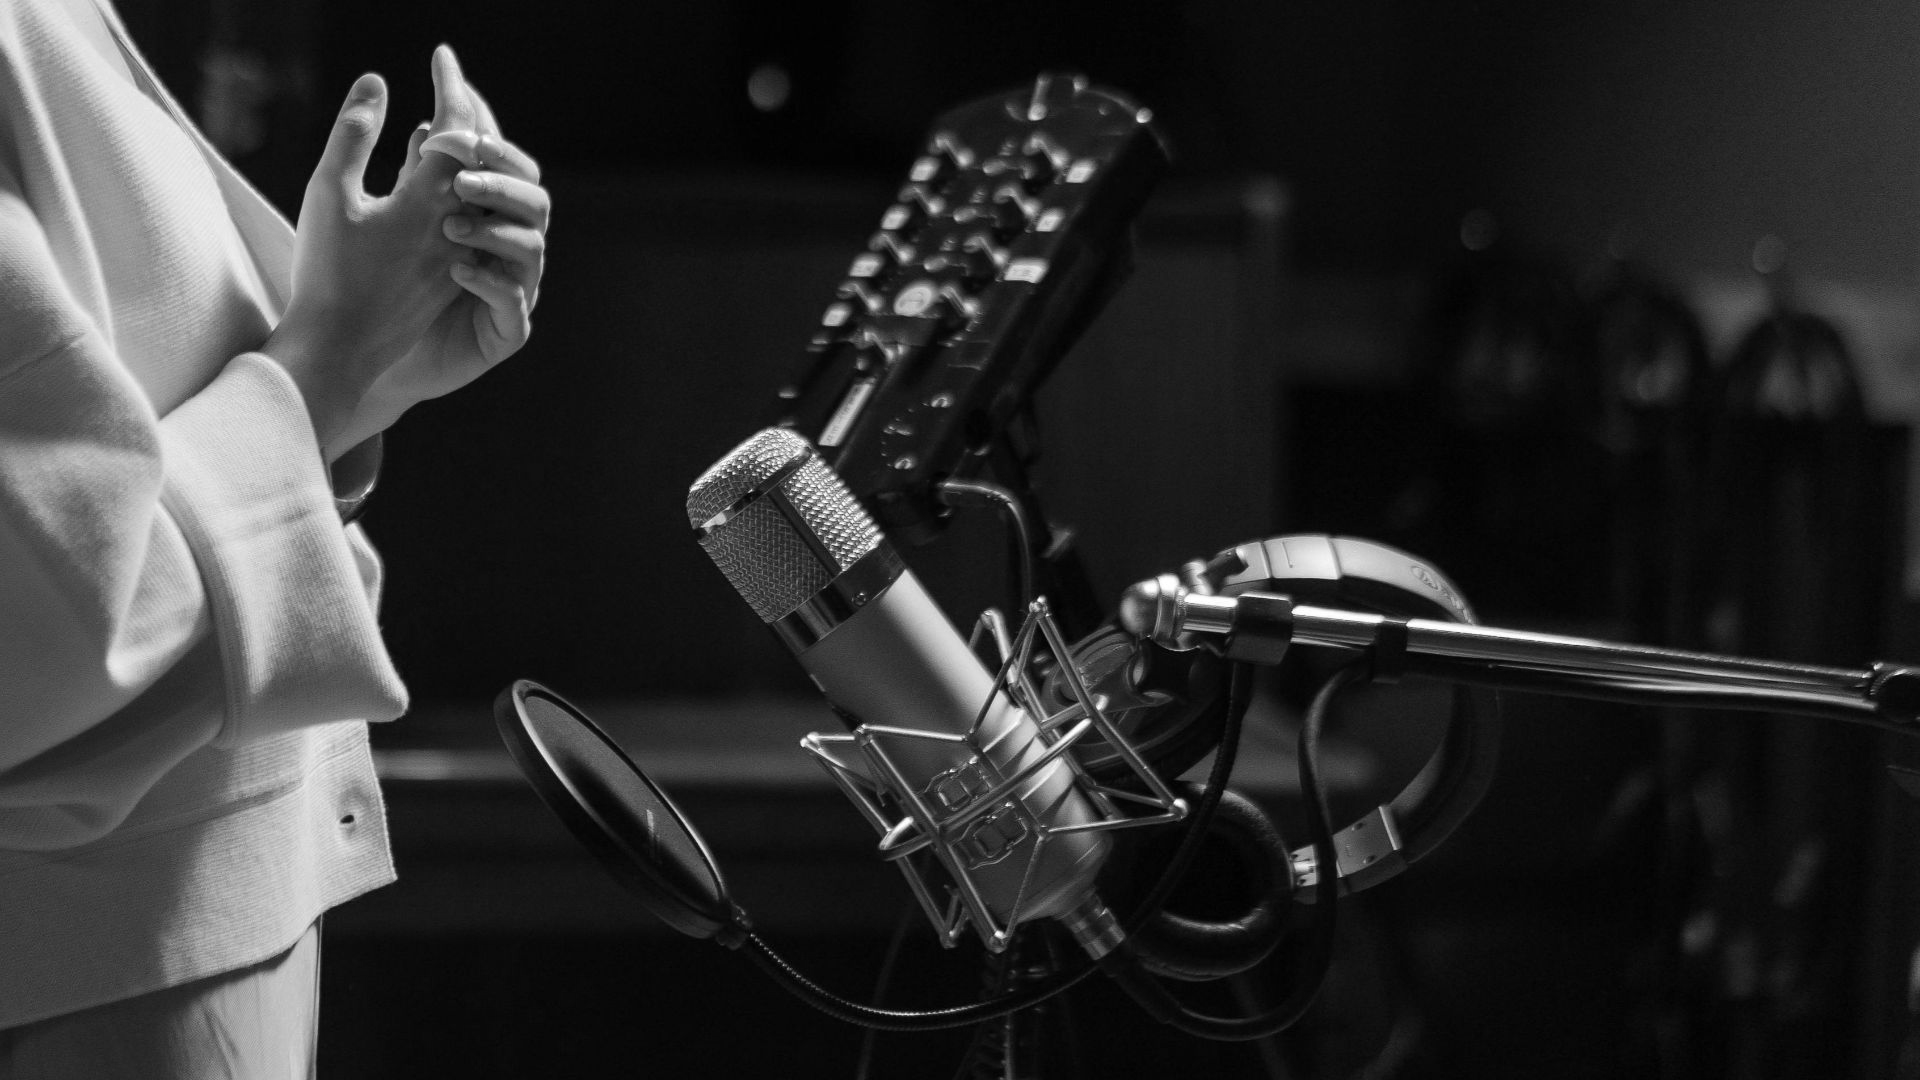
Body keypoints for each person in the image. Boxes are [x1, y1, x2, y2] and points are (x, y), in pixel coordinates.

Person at [0, 0, 550, 1071]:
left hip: (160, 945)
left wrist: (357, 377)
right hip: (85, 981)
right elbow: (40, 627)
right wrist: (325, 365)